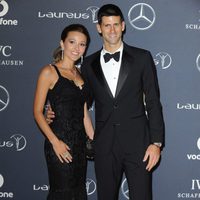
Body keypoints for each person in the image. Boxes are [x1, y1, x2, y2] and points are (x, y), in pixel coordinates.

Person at [47, 4, 164, 200]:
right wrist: (52, 111)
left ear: (123, 26)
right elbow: (80, 102)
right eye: (107, 25)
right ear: (99, 28)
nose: (112, 30)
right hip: (104, 146)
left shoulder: (142, 58)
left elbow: (153, 101)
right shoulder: (88, 65)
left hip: (139, 146)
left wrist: (156, 143)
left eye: (116, 25)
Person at [33, 24, 94, 200]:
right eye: (72, 42)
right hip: (59, 143)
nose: (77, 48)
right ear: (62, 43)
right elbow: (37, 112)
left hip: (80, 145)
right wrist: (55, 142)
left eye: (82, 44)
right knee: (62, 193)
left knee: (78, 192)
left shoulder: (80, 74)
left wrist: (94, 141)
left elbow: (84, 114)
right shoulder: (49, 72)